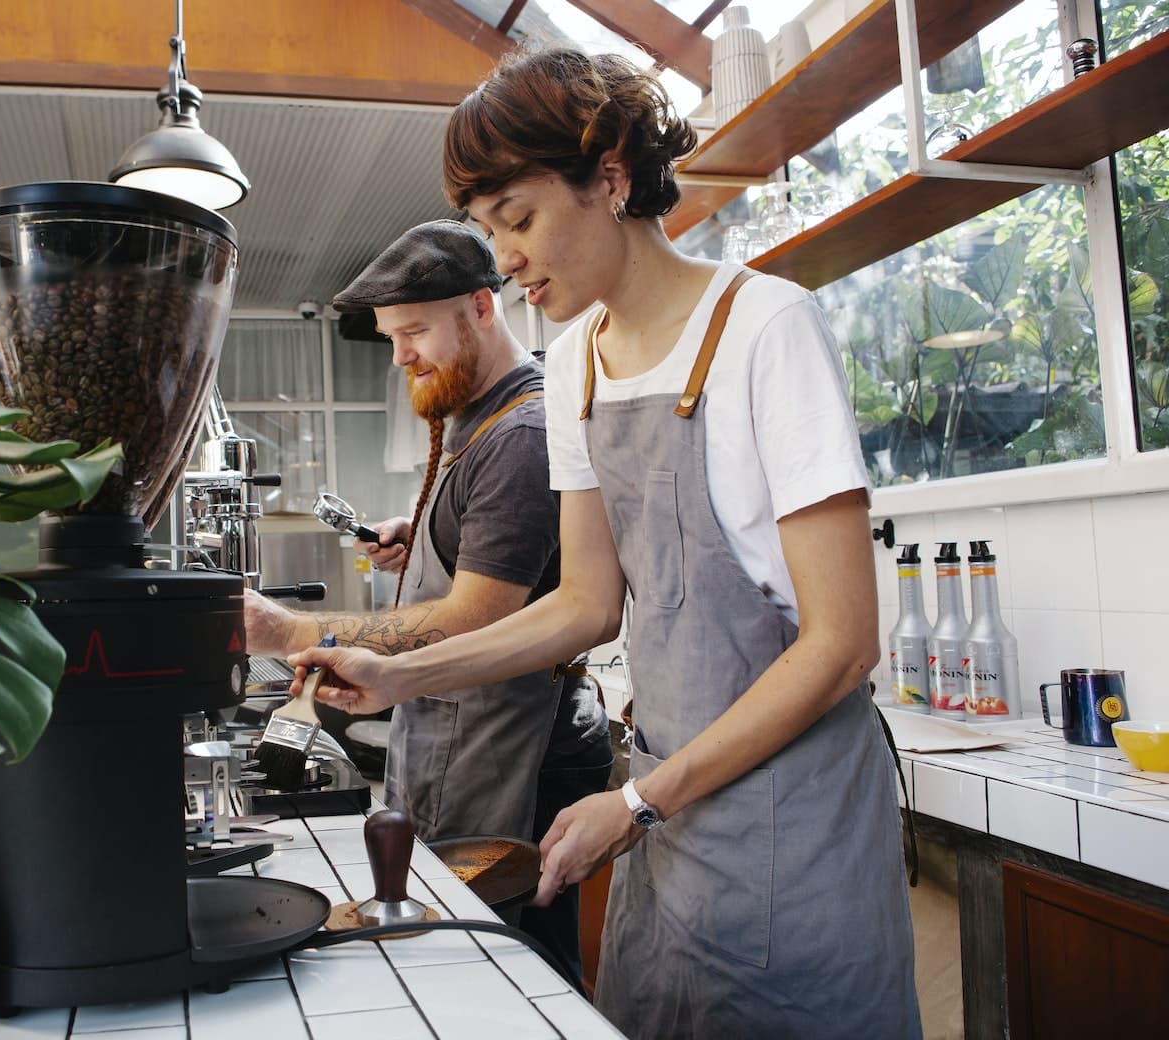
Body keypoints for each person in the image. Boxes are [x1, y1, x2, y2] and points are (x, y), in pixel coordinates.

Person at [285, 49, 922, 1039]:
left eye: (520, 218)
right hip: (667, 810)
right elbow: (584, 603)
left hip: (789, 815)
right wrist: (401, 674)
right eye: (489, 229)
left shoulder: (765, 329)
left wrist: (637, 801)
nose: (505, 257)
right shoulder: (574, 359)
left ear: (611, 175)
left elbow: (841, 643)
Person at [242, 218, 611, 989]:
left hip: (514, 747)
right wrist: (427, 543)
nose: (401, 353)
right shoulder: (475, 416)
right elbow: (495, 567)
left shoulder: (522, 432)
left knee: (515, 969)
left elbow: (476, 615)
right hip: (458, 737)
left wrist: (290, 630)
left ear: (482, 306)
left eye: (413, 331)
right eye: (390, 337)